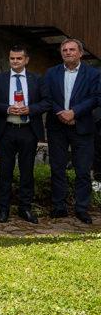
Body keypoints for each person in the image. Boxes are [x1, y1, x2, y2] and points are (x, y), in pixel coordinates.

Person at [0, 46, 46, 224]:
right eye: (12, 58)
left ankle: (25, 208)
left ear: (26, 60)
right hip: (7, 130)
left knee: (27, 172)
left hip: (28, 130)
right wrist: (7, 108)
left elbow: (46, 102)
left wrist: (30, 109)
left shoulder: (37, 79)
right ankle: (3, 209)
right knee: (5, 172)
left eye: (19, 58)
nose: (15, 61)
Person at [43, 39, 99, 224]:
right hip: (57, 126)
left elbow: (96, 98)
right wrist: (61, 112)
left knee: (82, 170)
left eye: (72, 49)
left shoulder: (93, 73)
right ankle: (59, 206)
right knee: (57, 168)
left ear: (80, 53)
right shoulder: (51, 73)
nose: (68, 52)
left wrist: (74, 112)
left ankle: (82, 208)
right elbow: (46, 96)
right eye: (65, 50)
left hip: (82, 127)